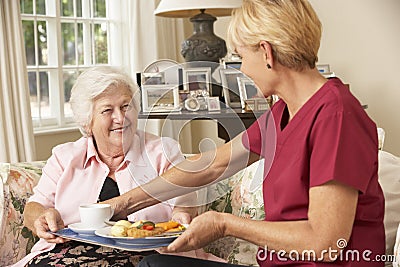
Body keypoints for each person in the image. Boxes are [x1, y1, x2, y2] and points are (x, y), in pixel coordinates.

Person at [105, 0, 386, 266]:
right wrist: (121, 204)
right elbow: (211, 166)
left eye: (240, 57)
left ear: (266, 52)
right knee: (155, 264)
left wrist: (225, 224)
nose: (241, 70)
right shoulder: (283, 112)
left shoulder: (337, 115)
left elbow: (326, 241)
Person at [15, 66, 198, 267]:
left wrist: (182, 218)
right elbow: (33, 208)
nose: (120, 118)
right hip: (64, 255)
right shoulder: (64, 157)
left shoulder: (163, 152)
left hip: (146, 255)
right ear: (87, 122)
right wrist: (41, 218)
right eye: (107, 110)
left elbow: (184, 209)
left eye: (126, 106)